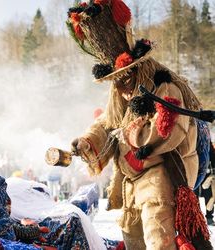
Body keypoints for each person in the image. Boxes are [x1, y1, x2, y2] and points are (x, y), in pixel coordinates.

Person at [67, 1, 211, 249]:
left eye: (125, 79)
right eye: (117, 82)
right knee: (132, 238)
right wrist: (87, 142)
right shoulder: (123, 99)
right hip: (130, 181)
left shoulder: (165, 88)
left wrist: (133, 135)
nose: (122, 88)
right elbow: (107, 123)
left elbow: (171, 130)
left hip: (160, 179)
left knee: (159, 238)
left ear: (139, 70)